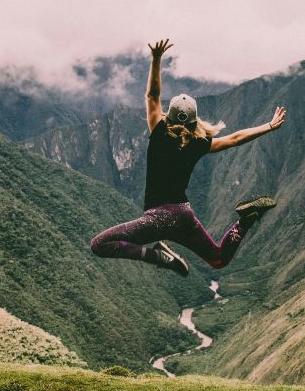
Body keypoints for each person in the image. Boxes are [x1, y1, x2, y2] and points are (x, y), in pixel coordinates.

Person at [90, 38, 286, 276]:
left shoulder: (159, 131)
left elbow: (152, 96)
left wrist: (156, 59)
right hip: (184, 215)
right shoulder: (199, 143)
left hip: (158, 218)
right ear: (195, 120)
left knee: (99, 245)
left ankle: (157, 256)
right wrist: (269, 126)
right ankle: (245, 220)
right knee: (218, 259)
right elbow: (235, 138)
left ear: (168, 116)